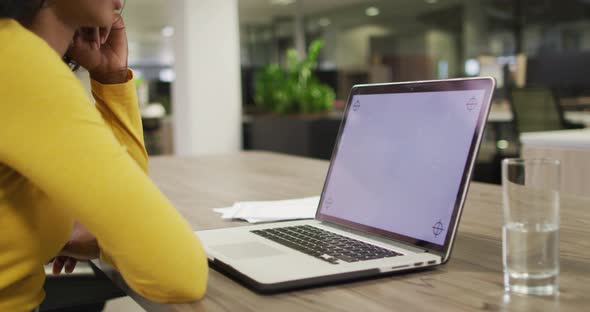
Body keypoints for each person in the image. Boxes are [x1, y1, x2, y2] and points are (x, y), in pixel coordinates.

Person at [0, 0, 208, 310]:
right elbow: (179, 273)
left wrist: (111, 77)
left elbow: (129, 219)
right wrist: (94, 236)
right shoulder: (14, 59)